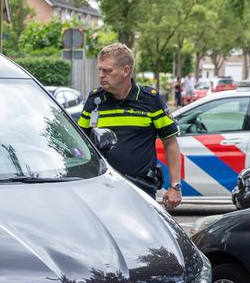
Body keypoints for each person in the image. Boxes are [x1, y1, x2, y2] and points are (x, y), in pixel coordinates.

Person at [78, 43, 184, 210]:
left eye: (107, 71)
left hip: (140, 190)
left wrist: (175, 186)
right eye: (100, 70)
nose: (101, 75)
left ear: (125, 71)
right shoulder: (95, 100)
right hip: (102, 189)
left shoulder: (151, 100)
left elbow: (170, 143)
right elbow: (80, 144)